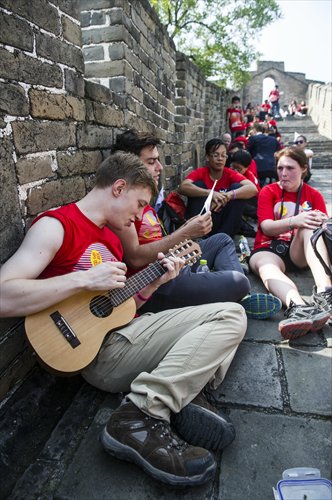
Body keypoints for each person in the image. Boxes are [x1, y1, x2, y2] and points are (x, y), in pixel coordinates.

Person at [0, 151, 248, 487]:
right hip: (94, 355)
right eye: (141, 203)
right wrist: (84, 279)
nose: (142, 213)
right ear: (118, 188)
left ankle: (183, 389)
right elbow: (3, 296)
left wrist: (155, 282)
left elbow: (119, 307)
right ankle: (142, 415)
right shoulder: (57, 225)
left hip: (122, 336)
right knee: (230, 317)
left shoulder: (111, 240)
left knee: (227, 313)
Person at [110, 129, 281, 318]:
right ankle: (238, 293)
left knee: (222, 240)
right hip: (156, 284)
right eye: (151, 162)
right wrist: (186, 233)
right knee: (239, 281)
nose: (159, 167)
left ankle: (230, 290)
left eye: (158, 160)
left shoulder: (142, 200)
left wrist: (186, 228)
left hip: (171, 264)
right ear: (130, 165)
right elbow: (134, 258)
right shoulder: (123, 205)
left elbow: (251, 189)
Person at [249, 147, 331, 339]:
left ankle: (325, 293)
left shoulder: (314, 195)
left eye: (290, 168)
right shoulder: (269, 191)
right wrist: (295, 220)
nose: (283, 173)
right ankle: (298, 307)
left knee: (311, 225)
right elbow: (267, 227)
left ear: (303, 168)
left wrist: (317, 221)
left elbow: (322, 231)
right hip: (269, 248)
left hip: (298, 251)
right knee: (265, 266)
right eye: (280, 168)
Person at [179, 138, 258, 237]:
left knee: (237, 188)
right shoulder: (201, 172)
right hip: (204, 219)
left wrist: (228, 195)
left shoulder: (230, 173)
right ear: (207, 157)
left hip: (224, 222)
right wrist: (210, 193)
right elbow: (183, 187)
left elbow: (252, 188)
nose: (220, 159)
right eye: (216, 155)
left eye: (223, 155)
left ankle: (224, 237)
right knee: (198, 185)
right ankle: (198, 237)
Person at [247, 123, 281, 187]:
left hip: (258, 167)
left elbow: (247, 153)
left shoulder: (252, 138)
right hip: (272, 167)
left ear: (254, 130)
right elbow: (278, 153)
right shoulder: (273, 139)